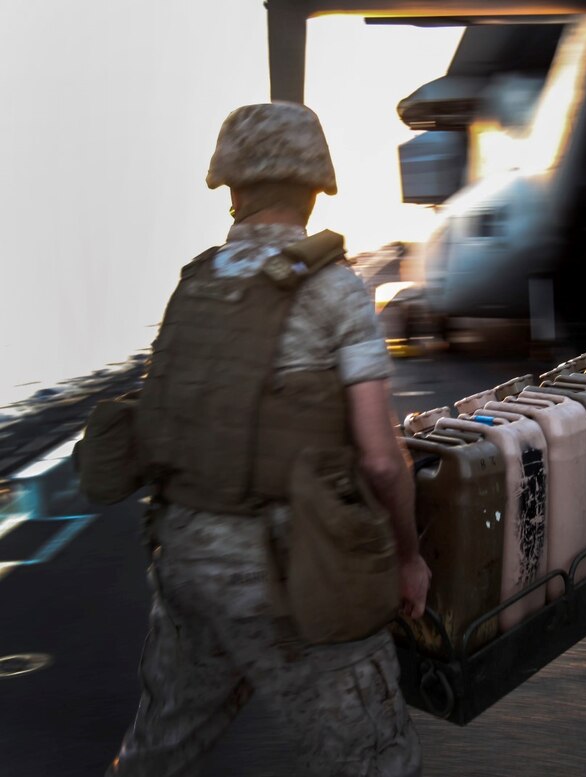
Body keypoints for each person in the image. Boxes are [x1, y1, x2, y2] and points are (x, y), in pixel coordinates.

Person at [108, 102, 431, 775]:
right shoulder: (336, 289)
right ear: (317, 187)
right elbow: (379, 457)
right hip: (286, 572)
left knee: (160, 747)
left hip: (182, 555)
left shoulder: (194, 282)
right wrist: (408, 557)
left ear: (232, 189)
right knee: (375, 759)